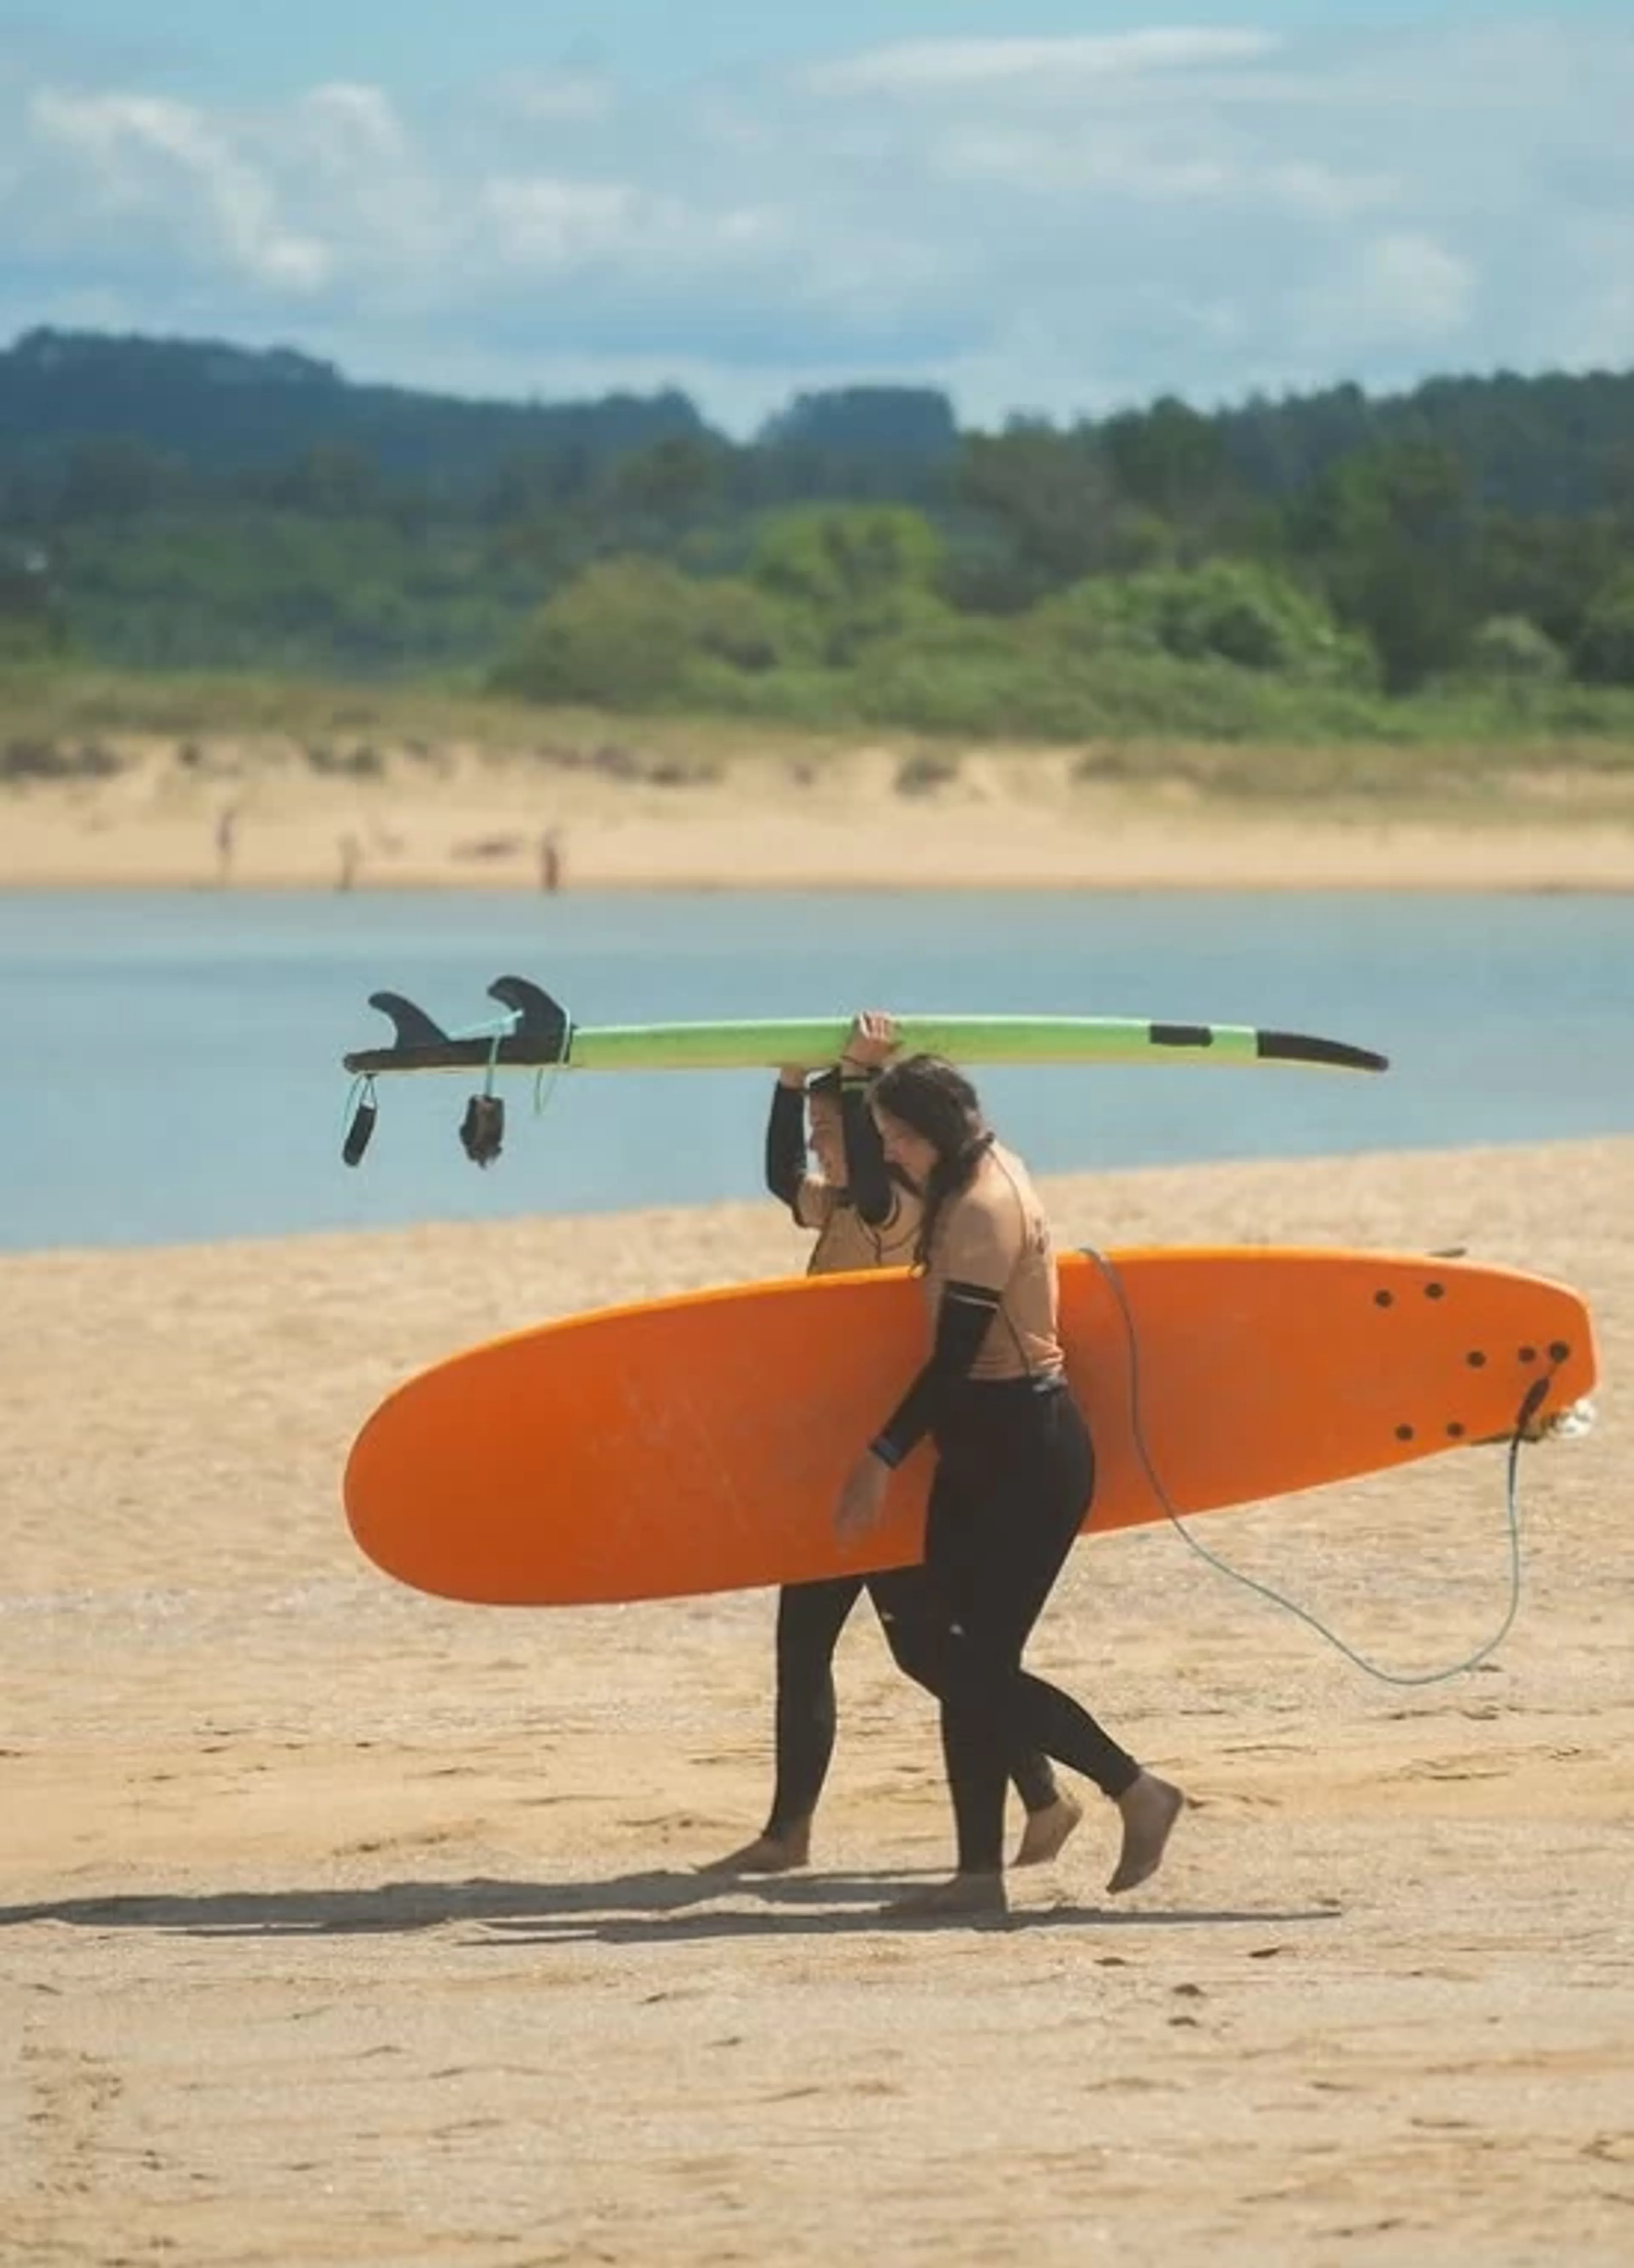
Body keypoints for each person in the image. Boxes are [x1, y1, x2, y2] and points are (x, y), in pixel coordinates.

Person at [705, 1013, 1082, 1877]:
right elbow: (780, 1178)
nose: (820, 1147)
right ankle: (791, 1832)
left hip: (894, 1457)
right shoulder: (837, 1206)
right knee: (817, 1642)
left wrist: (851, 1071)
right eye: (817, 1133)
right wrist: (789, 1087)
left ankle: (1044, 1792)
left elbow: (872, 1170)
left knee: (929, 1652)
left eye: (834, 1132)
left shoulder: (891, 1206)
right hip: (845, 1448)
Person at [834, 1050, 1185, 1918]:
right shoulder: (964, 1172)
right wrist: (856, 1079)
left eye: (898, 1137)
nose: (891, 1153)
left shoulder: (987, 1205)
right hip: (978, 1449)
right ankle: (978, 1874)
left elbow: (956, 1361)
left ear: (934, 1129)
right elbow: (872, 1187)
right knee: (940, 1653)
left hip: (1028, 1453)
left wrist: (879, 1457)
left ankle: (1136, 1789)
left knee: (977, 1664)